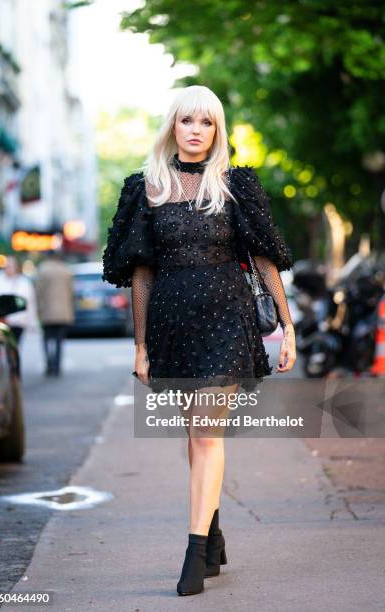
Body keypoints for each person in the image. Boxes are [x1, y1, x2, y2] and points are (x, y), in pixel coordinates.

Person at [102, 85, 296, 596]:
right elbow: (141, 274)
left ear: (217, 130)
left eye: (206, 122)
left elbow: (263, 259)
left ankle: (193, 553)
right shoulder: (145, 187)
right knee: (196, 435)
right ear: (172, 126)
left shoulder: (235, 185)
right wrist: (140, 346)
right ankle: (211, 530)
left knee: (207, 435)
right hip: (172, 323)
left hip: (228, 319)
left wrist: (288, 325)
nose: (195, 130)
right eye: (187, 120)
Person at [0, 255, 38, 344]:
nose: (8, 268)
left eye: (11, 265)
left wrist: (32, 322)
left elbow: (30, 302)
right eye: (7, 265)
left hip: (18, 323)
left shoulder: (24, 283)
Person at [35, 251, 74, 376]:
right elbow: (71, 292)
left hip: (47, 311)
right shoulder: (66, 270)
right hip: (63, 312)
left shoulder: (43, 270)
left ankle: (49, 364)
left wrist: (38, 309)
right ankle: (57, 366)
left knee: (46, 339)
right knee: (59, 340)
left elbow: (38, 292)